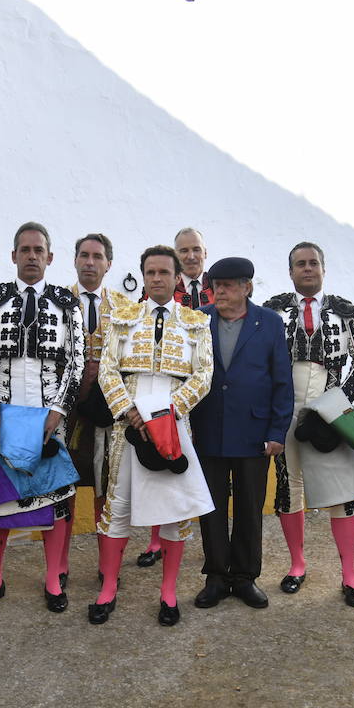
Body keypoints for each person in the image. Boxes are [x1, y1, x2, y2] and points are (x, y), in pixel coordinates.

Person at [88, 244, 215, 625]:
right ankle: (108, 587)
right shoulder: (123, 318)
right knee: (117, 507)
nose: (157, 279)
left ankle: (169, 592)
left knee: (176, 512)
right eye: (151, 273)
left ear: (177, 278)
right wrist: (130, 411)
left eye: (164, 273)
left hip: (175, 423)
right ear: (143, 277)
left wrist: (166, 412)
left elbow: (204, 375)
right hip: (129, 427)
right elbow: (108, 371)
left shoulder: (196, 322)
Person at [0, 222, 83, 613]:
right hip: (2, 414)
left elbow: (76, 359)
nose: (32, 256)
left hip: (50, 414)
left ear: (49, 258)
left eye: (39, 250)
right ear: (13, 255)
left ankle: (53, 578)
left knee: (54, 499)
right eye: (25, 249)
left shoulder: (67, 304)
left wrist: (58, 410)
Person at [264, 242, 354, 606]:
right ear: (291, 271)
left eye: (313, 263)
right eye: (300, 264)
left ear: (323, 269)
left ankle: (350, 575)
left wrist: (336, 406)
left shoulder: (344, 312)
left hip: (327, 412)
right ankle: (297, 565)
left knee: (340, 492)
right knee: (288, 486)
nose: (307, 269)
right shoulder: (273, 312)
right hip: (284, 410)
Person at [191, 257, 294, 610]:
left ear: (246, 287)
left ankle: (246, 577)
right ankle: (217, 576)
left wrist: (277, 430)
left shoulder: (269, 323)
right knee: (212, 507)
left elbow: (282, 382)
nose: (219, 291)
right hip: (208, 430)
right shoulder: (199, 319)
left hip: (254, 431)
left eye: (228, 285)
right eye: (216, 285)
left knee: (250, 506)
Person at [62, 233, 128, 571]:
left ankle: (107, 565)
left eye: (97, 256)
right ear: (75, 260)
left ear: (108, 264)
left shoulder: (124, 307)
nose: (90, 262)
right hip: (65, 411)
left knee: (107, 489)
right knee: (64, 487)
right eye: (84, 255)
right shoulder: (57, 302)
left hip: (108, 412)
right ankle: (61, 564)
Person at [172, 227, 214, 309]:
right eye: (184, 251)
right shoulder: (167, 287)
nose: (191, 257)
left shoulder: (218, 287)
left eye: (196, 250)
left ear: (205, 253)